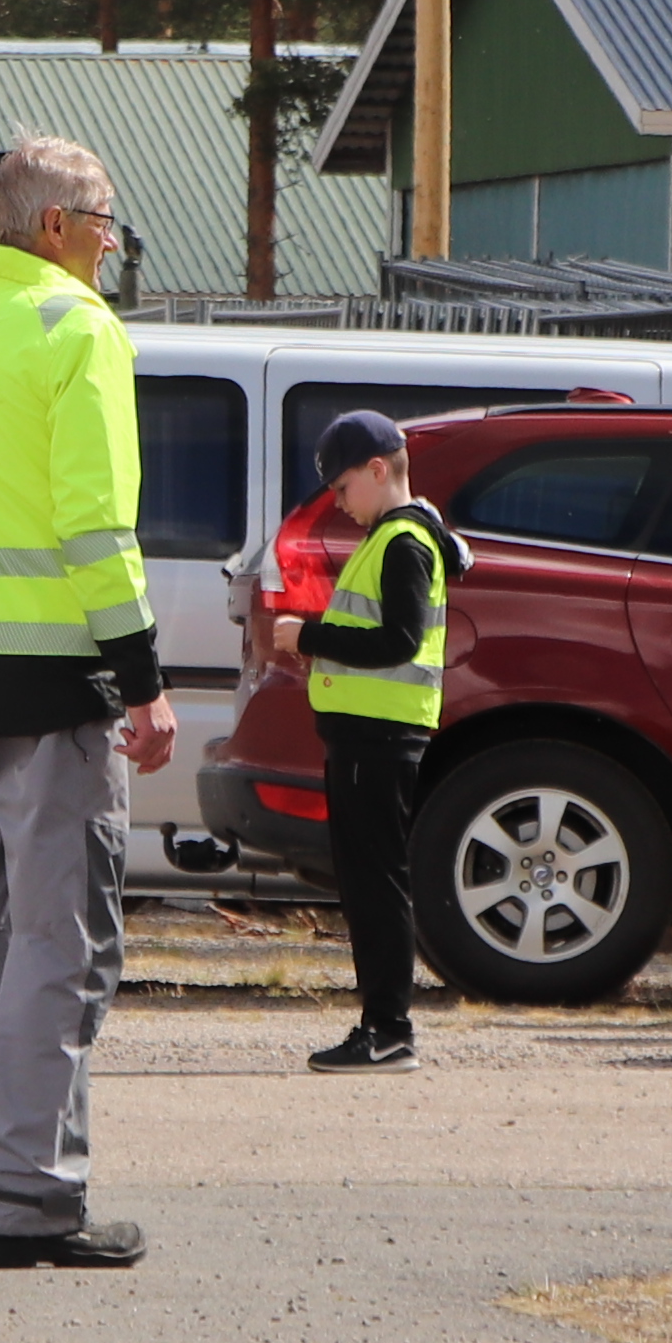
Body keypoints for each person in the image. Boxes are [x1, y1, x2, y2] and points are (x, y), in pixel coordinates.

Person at [0, 131, 170, 1267]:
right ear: (55, 226)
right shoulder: (78, 327)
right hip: (56, 687)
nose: (112, 242)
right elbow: (94, 526)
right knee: (59, 943)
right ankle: (31, 1197)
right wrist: (143, 681)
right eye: (103, 220)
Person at [293, 409, 460, 1071]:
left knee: (377, 886)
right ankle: (382, 1025)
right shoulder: (396, 536)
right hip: (371, 734)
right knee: (370, 883)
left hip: (379, 737)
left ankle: (388, 1029)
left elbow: (399, 640)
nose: (339, 503)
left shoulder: (402, 542)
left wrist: (308, 636)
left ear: (378, 469)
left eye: (342, 488)